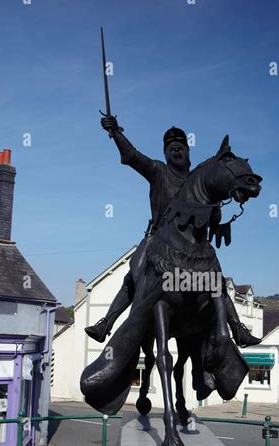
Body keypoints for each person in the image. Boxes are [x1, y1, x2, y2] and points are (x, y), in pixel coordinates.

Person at [84, 116, 260, 347]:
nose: (176, 151)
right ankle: (106, 323)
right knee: (133, 276)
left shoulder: (201, 181)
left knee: (216, 278)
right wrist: (115, 132)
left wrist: (219, 219)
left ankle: (236, 328)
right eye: (171, 149)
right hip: (158, 238)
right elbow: (133, 156)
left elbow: (213, 217)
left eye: (180, 147)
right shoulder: (158, 170)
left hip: (194, 247)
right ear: (166, 154)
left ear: (188, 152)